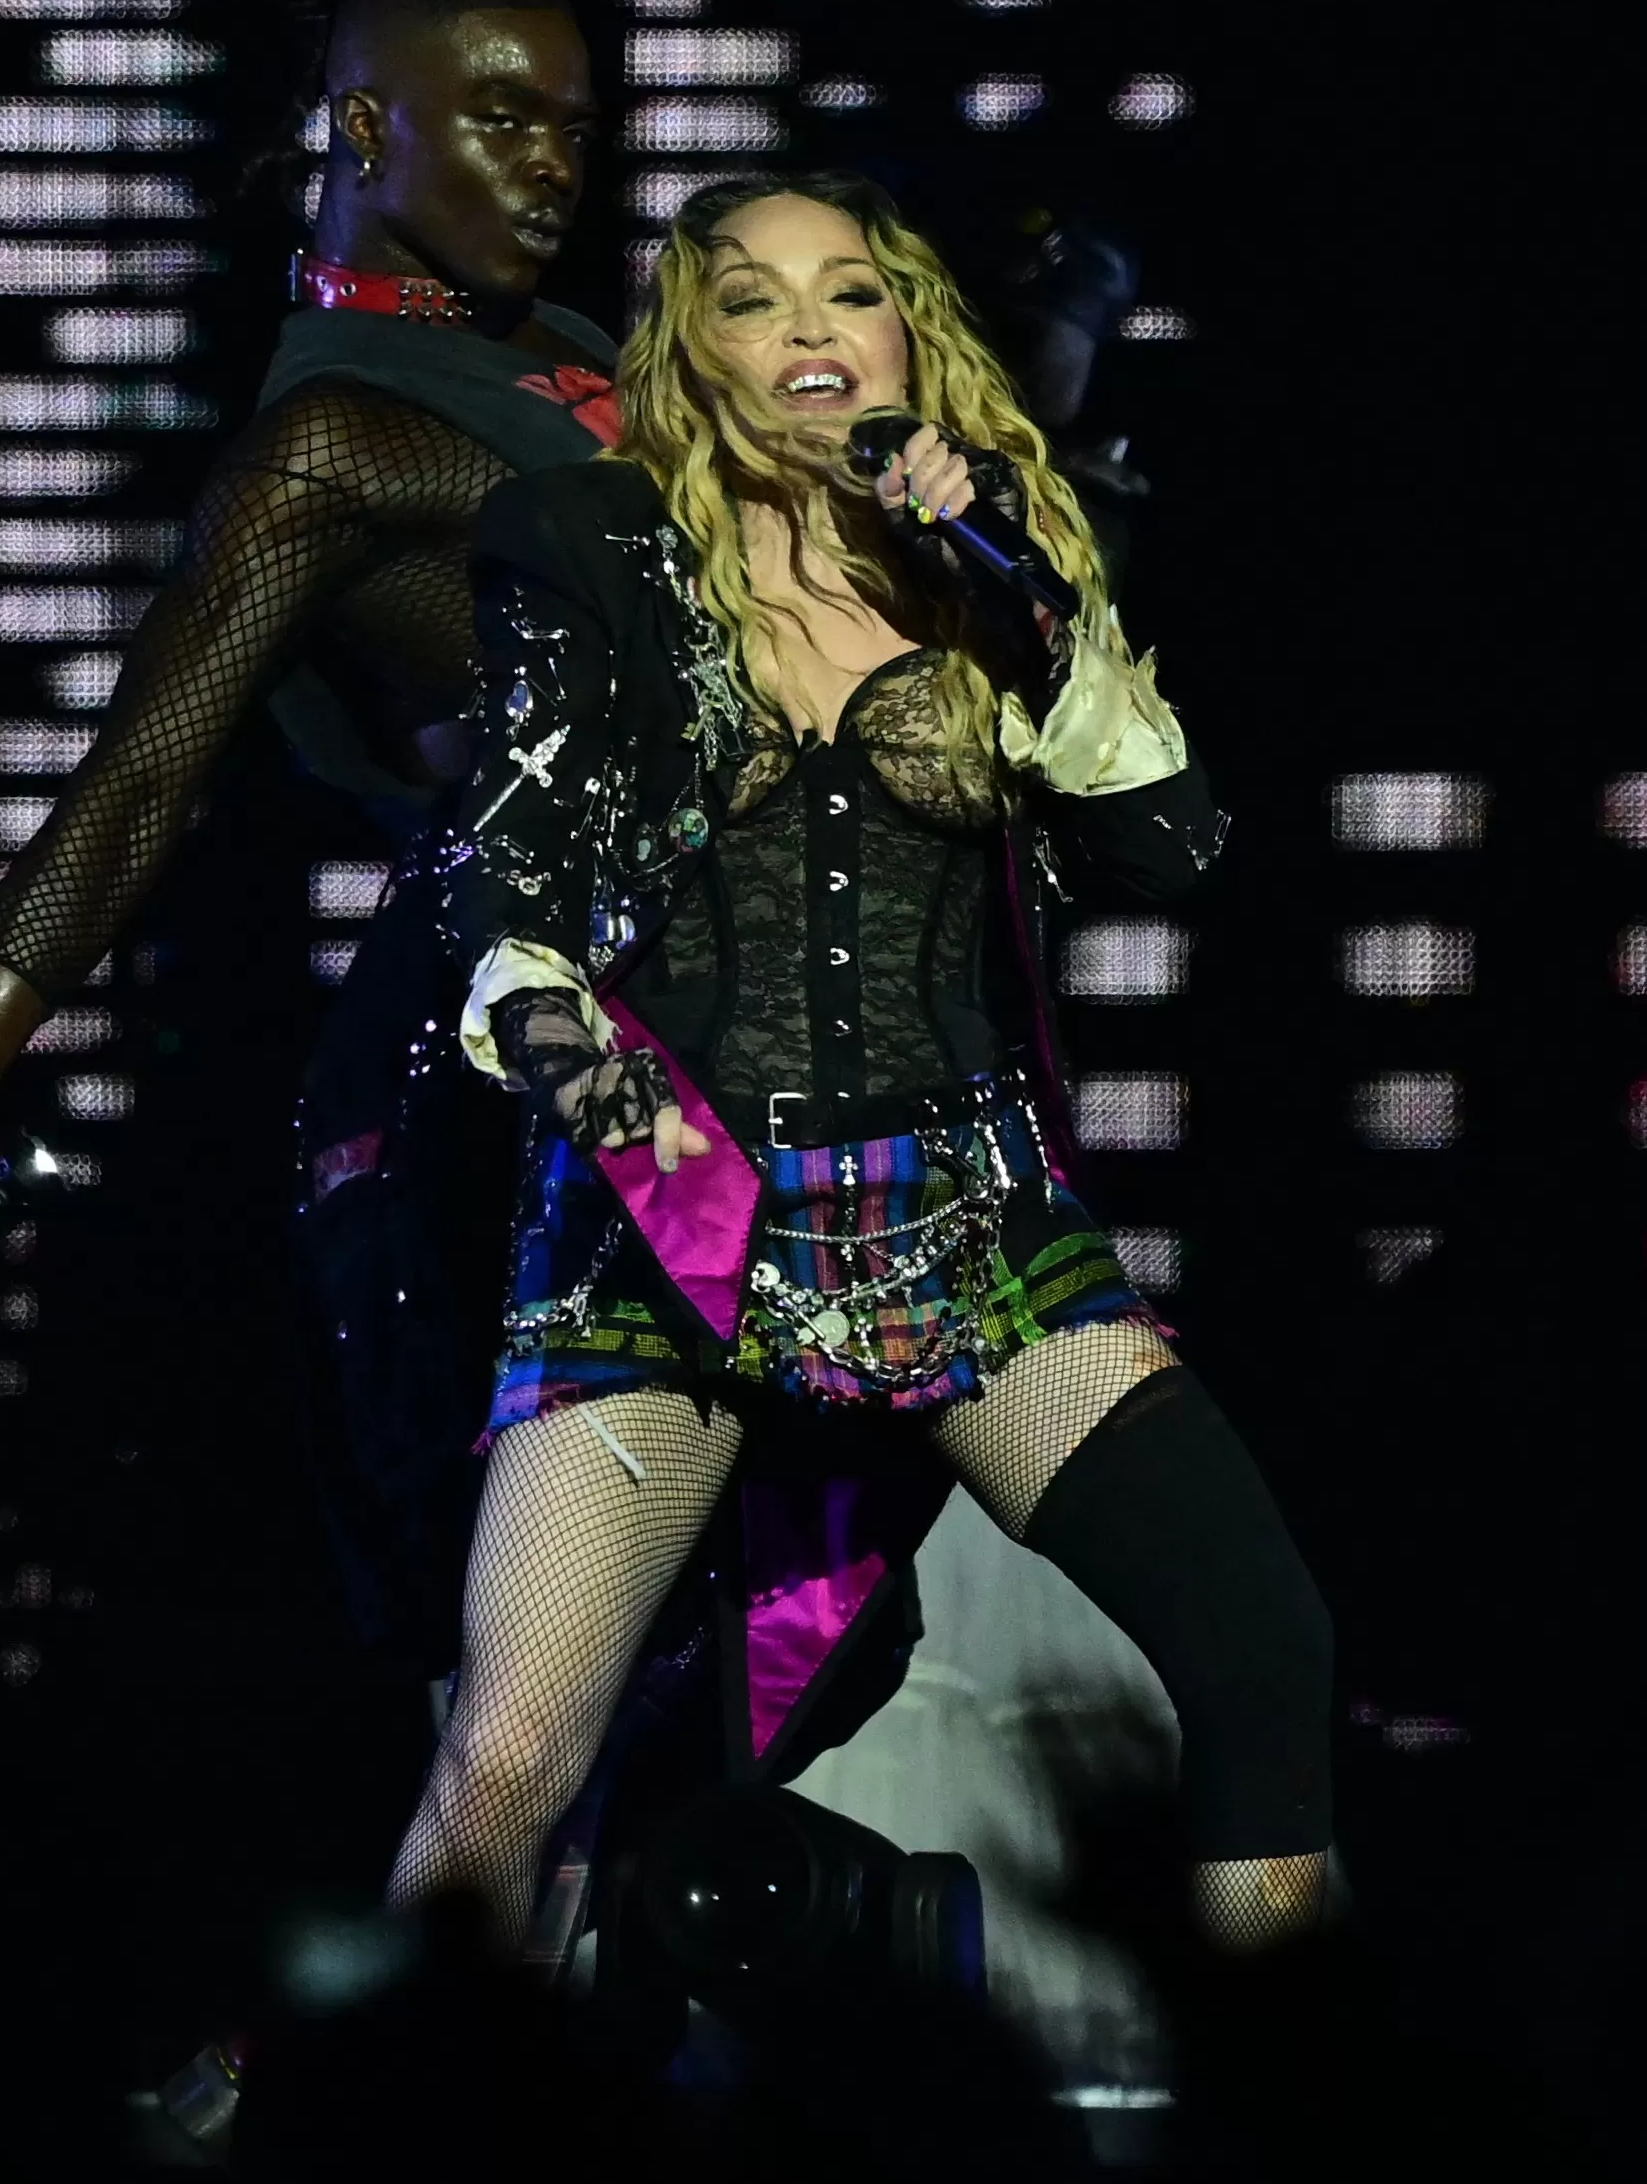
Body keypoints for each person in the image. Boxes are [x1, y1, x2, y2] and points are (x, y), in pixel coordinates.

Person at [396, 171, 1336, 1950]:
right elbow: (502, 907)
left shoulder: (998, 565)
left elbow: (1173, 849)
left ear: (910, 334)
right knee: (514, 1756)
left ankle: (1280, 2140)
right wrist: (674, 1184)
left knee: (1265, 1649)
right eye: (754, 299)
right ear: (695, 349)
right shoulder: (591, 540)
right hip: (659, 1224)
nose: (811, 330)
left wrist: (1036, 594)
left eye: (851, 294)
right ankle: (389, 2155)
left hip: (964, 1229)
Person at [0, 0, 624, 1655]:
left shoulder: (568, 344)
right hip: (541, 1061)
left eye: (572, 124)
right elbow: (134, 788)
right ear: (366, 125)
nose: (554, 164)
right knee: (562, 1695)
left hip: (741, 996)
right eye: (500, 120)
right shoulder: (326, 445)